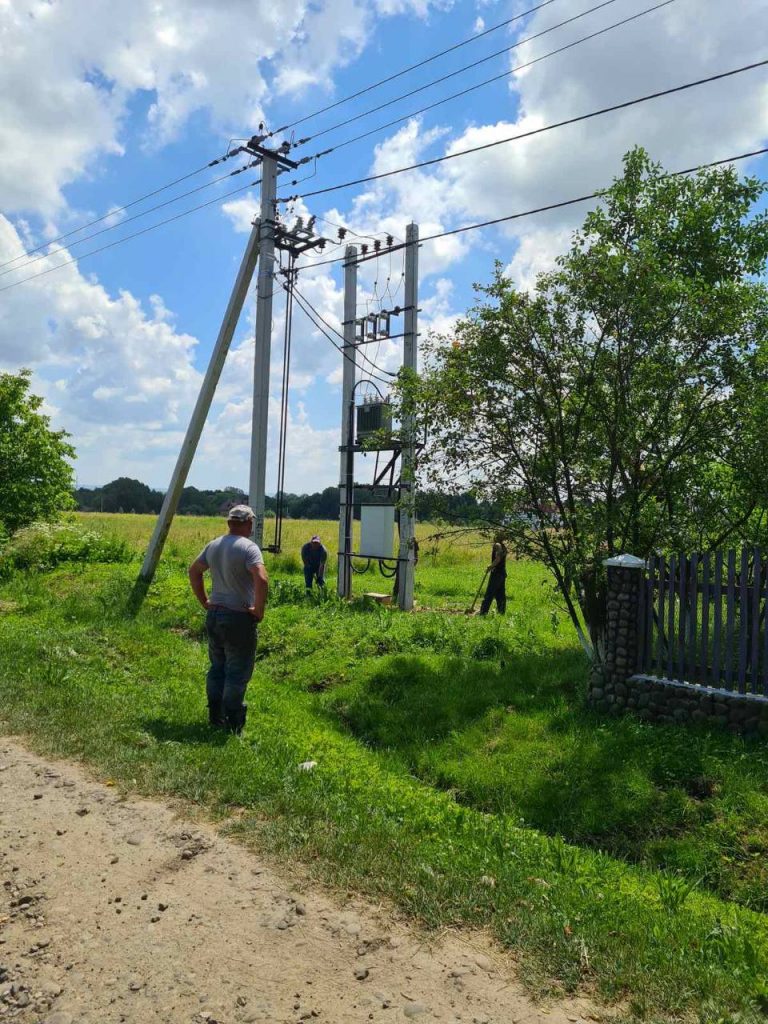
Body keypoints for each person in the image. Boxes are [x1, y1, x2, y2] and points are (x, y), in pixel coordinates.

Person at [188, 505, 268, 734]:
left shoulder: (214, 545)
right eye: (251, 523)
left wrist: (205, 601)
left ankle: (215, 716)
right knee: (237, 672)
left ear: (230, 522)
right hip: (238, 617)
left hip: (215, 615)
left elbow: (194, 571)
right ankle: (233, 724)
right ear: (247, 523)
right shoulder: (249, 548)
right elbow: (261, 580)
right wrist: (258, 609)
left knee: (217, 668)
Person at [479, 532, 507, 615]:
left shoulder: (497, 545)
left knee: (489, 593)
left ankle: (483, 613)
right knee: (500, 594)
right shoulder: (504, 547)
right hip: (502, 573)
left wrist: (491, 566)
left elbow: (498, 558)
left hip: (496, 573)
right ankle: (501, 612)